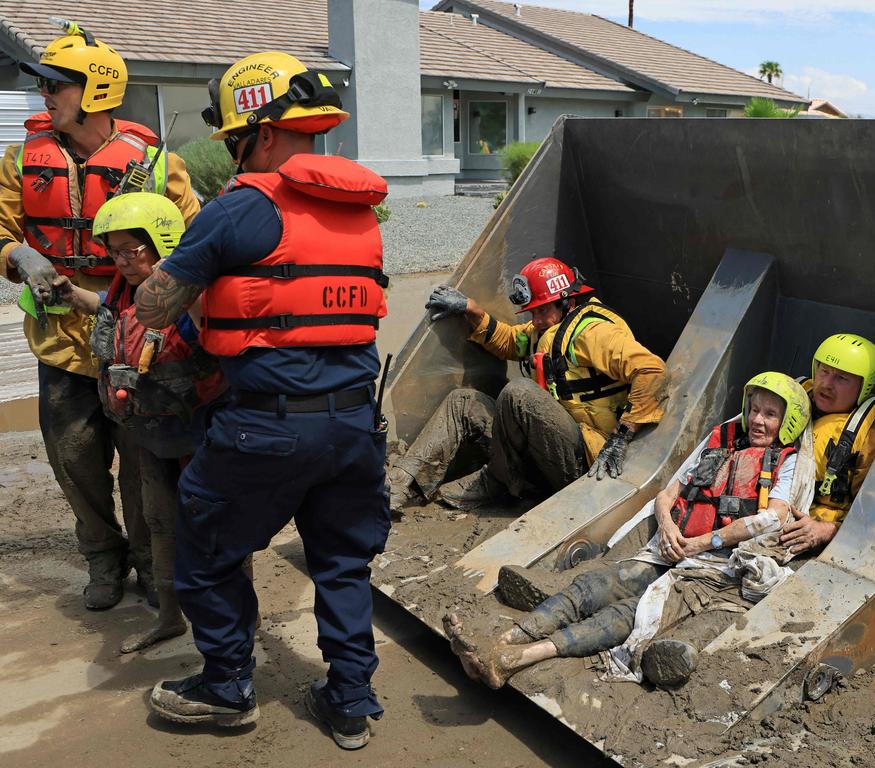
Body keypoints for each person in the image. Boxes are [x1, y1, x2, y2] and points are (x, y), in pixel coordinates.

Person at [136, 52, 390, 750]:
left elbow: (157, 309)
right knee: (341, 561)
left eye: (234, 141)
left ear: (263, 131)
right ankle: (349, 698)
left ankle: (225, 687)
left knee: (207, 551)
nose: (233, 155)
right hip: (354, 425)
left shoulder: (240, 208)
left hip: (265, 429)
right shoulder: (361, 214)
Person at [0, 21, 200, 610]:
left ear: (94, 92)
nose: (45, 95)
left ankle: (147, 557)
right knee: (74, 461)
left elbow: (193, 247)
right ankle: (101, 558)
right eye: (43, 85)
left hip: (136, 346)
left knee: (145, 464)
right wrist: (19, 256)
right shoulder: (21, 162)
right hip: (59, 344)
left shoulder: (161, 166)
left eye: (56, 85)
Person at [443, 372, 813, 689]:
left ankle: (513, 660)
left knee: (627, 615)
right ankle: (502, 640)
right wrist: (667, 528)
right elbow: (668, 493)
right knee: (591, 587)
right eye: (754, 410)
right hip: (671, 548)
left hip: (714, 568)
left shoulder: (790, 461)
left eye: (770, 414)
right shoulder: (722, 442)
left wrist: (704, 542)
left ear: (789, 421)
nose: (758, 420)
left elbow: (773, 517)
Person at [54, 192, 226, 654]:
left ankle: (231, 634)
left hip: (197, 436)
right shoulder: (123, 289)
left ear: (162, 243)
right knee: (158, 523)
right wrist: (72, 295)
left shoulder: (190, 294)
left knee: (214, 531)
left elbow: (206, 334)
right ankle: (170, 618)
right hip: (149, 432)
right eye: (114, 252)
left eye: (133, 251)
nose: (122, 261)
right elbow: (117, 316)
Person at [388, 257, 666, 512]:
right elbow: (511, 341)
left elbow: (651, 369)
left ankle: (499, 482)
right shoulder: (548, 328)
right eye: (532, 312)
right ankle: (399, 488)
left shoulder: (593, 333)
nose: (535, 320)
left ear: (567, 301)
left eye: (541, 310)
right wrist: (470, 310)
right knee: (463, 402)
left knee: (518, 392)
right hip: (542, 447)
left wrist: (621, 438)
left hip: (581, 461)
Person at [780, 333, 875, 554]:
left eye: (842, 378)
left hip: (819, 529)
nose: (827, 384)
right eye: (824, 371)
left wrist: (827, 531)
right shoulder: (790, 396)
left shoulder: (872, 435)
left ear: (863, 386)